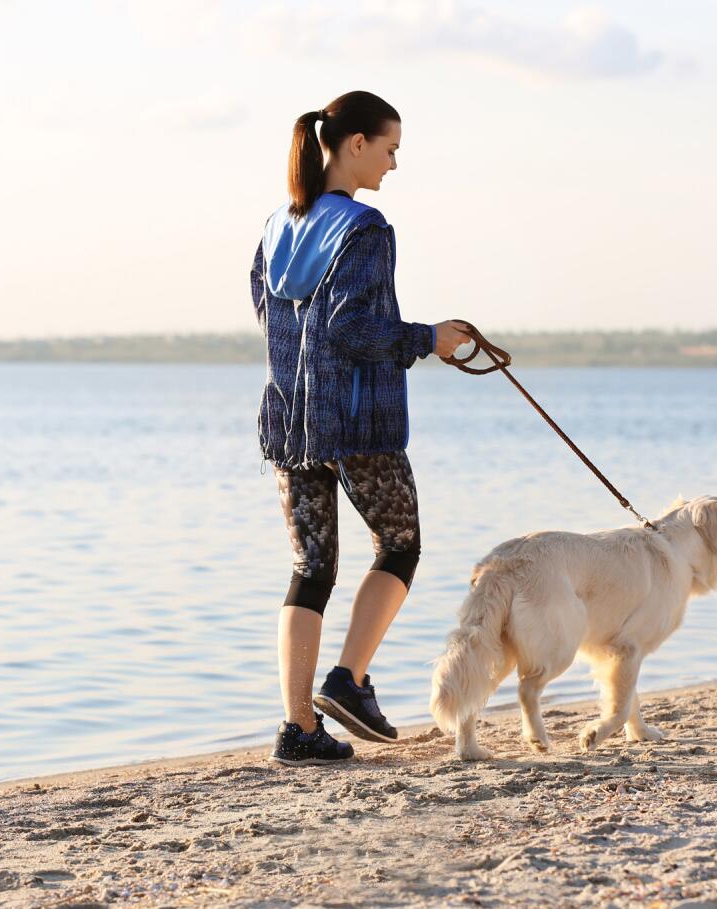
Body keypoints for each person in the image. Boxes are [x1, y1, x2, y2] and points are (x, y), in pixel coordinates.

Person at [250, 90, 469, 766]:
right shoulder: (366, 229)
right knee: (401, 545)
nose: (394, 163)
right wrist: (428, 337)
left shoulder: (276, 228)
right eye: (390, 148)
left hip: (291, 426)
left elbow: (267, 310)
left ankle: (297, 729)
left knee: (311, 568)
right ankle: (348, 679)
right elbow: (351, 326)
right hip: (359, 423)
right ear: (354, 145)